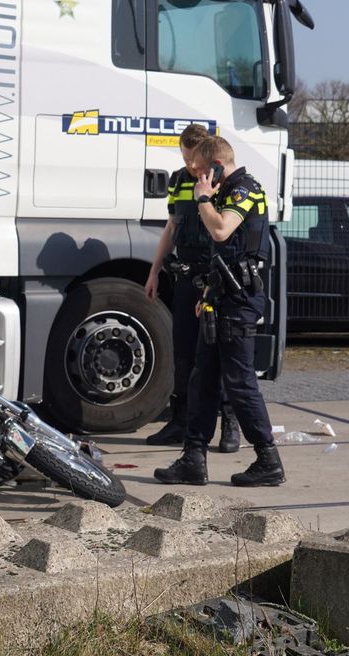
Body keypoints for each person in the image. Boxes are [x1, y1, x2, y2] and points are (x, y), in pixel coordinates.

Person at [153, 136, 284, 487]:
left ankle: (268, 459)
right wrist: (208, 292)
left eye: (199, 168)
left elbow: (222, 230)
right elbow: (223, 255)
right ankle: (193, 458)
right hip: (219, 298)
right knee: (202, 378)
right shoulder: (225, 192)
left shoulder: (245, 189)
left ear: (215, 166)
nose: (195, 175)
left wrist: (204, 199)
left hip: (240, 302)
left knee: (239, 382)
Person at [143, 124, 240, 453]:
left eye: (194, 160)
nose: (189, 166)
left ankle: (229, 422)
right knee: (182, 352)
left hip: (215, 277)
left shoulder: (221, 183)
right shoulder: (179, 180)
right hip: (186, 277)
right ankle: (181, 420)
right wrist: (154, 271)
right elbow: (172, 225)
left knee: (220, 353)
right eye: (184, 159)